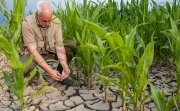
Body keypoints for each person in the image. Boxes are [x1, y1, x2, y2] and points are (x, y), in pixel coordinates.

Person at [21, 0, 75, 81]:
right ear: (38, 15)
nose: (47, 23)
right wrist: (50, 71)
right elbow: (33, 52)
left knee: (70, 50)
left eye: (49, 20)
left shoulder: (56, 22)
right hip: (35, 56)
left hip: (51, 53)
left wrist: (65, 67)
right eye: (44, 21)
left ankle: (61, 74)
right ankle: (35, 75)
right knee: (22, 67)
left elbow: (59, 47)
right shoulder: (27, 23)